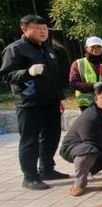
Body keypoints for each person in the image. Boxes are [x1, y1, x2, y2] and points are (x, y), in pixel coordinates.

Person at [0, 15, 69, 189]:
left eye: (45, 28)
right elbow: (6, 75)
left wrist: (59, 98)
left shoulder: (48, 48)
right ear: (24, 29)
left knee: (52, 136)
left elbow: (54, 77)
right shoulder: (15, 49)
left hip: (50, 101)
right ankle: (29, 177)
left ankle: (46, 169)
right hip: (30, 103)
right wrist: (27, 72)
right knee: (30, 140)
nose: (43, 32)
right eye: (38, 28)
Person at [69, 36, 102, 111]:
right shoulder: (78, 63)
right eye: (92, 46)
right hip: (86, 104)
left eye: (99, 46)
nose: (96, 49)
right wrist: (93, 86)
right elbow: (74, 82)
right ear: (86, 48)